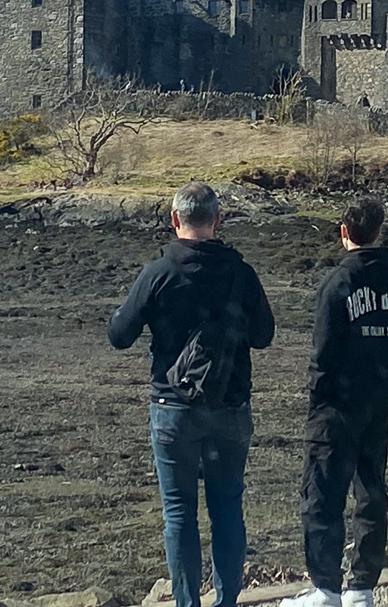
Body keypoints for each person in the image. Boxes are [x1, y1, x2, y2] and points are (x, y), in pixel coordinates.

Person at [109, 182, 275, 607]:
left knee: (179, 514)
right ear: (218, 220)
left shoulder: (158, 273)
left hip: (172, 407)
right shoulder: (241, 272)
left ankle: (187, 602)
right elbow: (264, 335)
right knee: (226, 508)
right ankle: (227, 601)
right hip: (229, 405)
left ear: (174, 219)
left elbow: (119, 335)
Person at [282, 198, 388, 607]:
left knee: (322, 494)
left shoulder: (337, 285)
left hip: (336, 405)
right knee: (371, 490)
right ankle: (362, 585)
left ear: (344, 232)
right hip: (379, 401)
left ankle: (326, 587)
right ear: (378, 232)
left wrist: (319, 397)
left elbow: (322, 352)